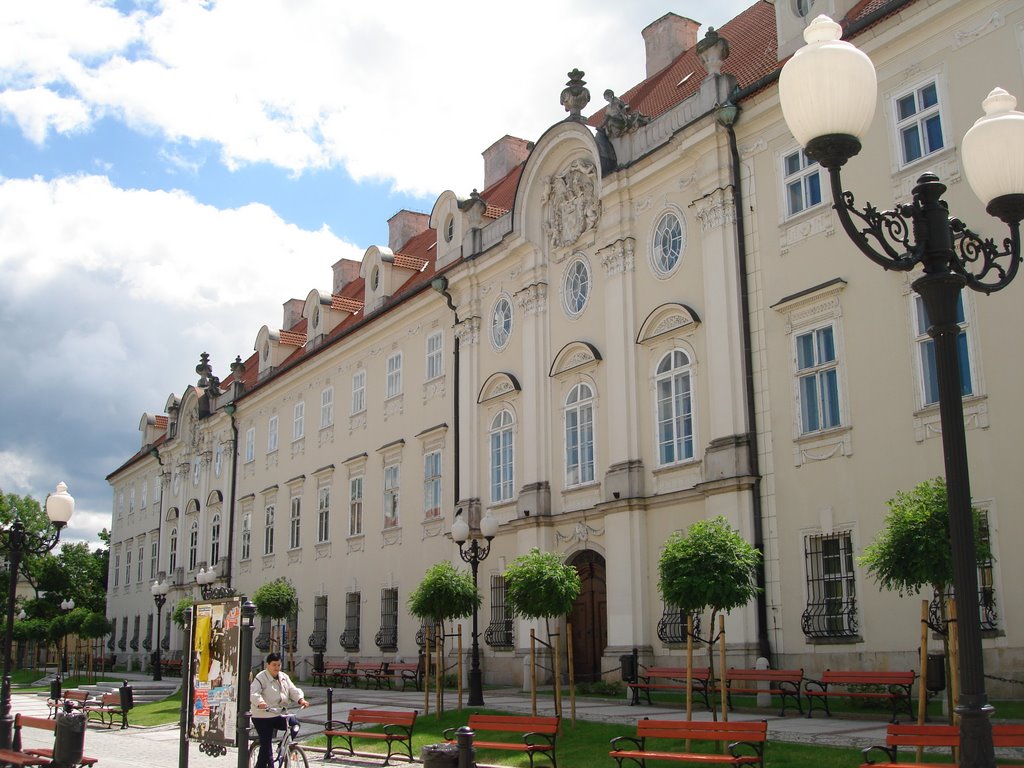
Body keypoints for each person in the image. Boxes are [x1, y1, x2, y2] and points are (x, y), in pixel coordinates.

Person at [250, 652, 309, 767]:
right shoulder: (261, 678)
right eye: (274, 665)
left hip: (278, 714)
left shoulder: (283, 677)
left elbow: (292, 690)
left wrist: (301, 699)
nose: (277, 668)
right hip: (262, 716)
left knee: (295, 724)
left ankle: (282, 746)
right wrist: (260, 702)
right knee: (266, 747)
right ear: (268, 665)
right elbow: (254, 693)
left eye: (278, 665)